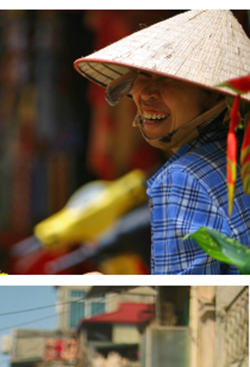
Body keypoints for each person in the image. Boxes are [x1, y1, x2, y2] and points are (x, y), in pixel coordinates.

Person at [75, 9, 250, 273]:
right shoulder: (238, 156)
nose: (146, 93)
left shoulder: (181, 177)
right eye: (143, 76)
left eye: (167, 79)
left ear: (214, 96)